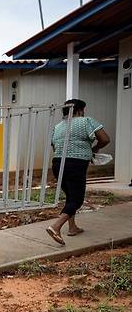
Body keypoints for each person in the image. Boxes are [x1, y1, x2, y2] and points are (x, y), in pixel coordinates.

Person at [46, 99, 110, 245]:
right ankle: (55, 227)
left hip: (57, 163)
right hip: (76, 163)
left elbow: (54, 146)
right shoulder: (86, 121)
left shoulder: (58, 126)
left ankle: (72, 228)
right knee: (77, 200)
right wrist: (93, 148)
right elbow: (105, 139)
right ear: (80, 110)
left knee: (70, 196)